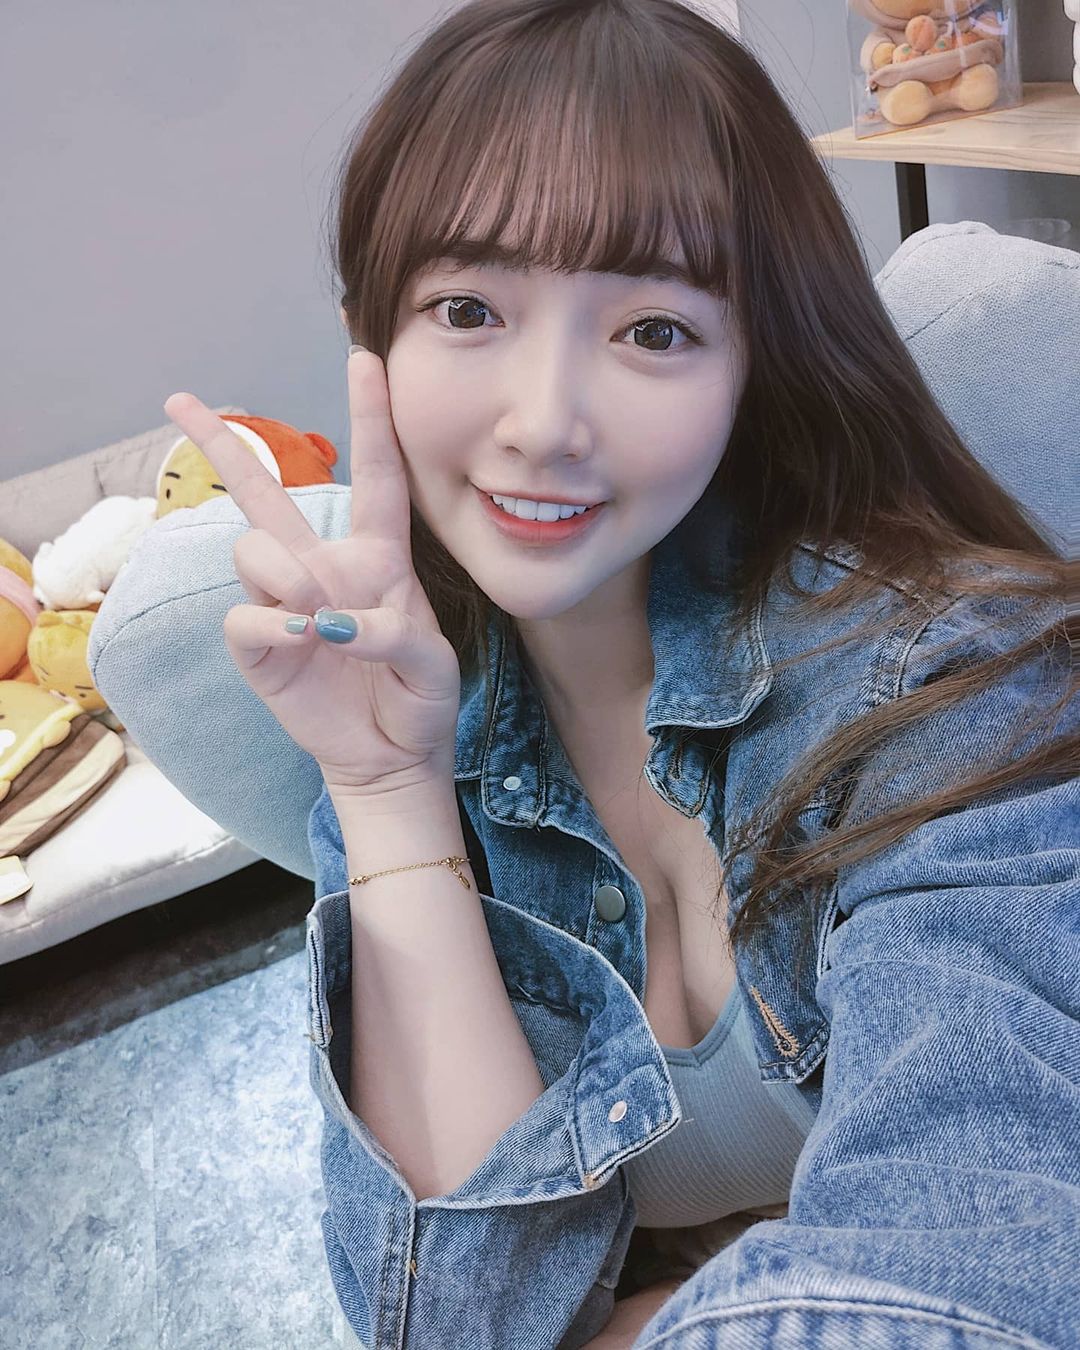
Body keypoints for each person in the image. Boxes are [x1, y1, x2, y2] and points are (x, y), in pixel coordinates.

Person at [161, 1, 1078, 1345]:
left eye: (652, 330)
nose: (544, 423)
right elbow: (467, 1321)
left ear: (755, 360)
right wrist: (386, 789)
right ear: (376, 338)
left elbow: (976, 1276)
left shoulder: (939, 678)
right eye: (467, 309)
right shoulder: (404, 699)